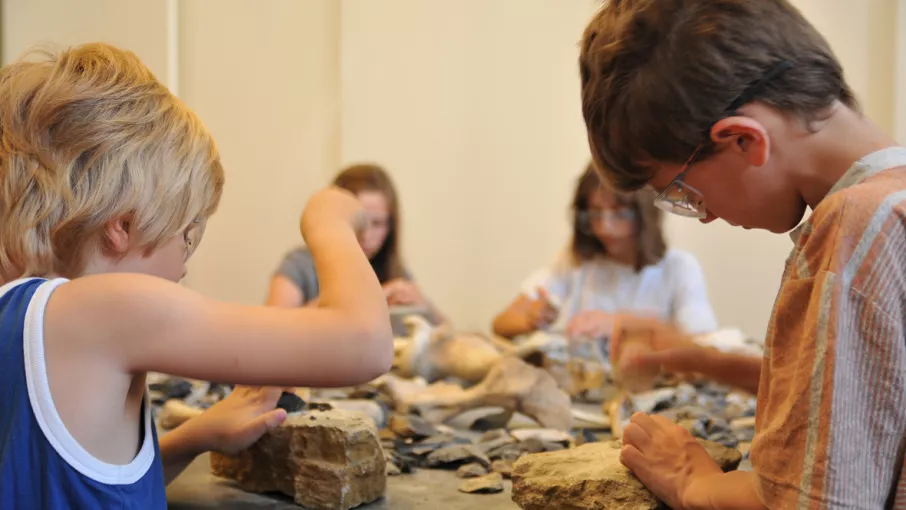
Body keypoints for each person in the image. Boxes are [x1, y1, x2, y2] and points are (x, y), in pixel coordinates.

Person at [0, 43, 393, 508]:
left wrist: (193, 439)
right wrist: (330, 223)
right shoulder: (107, 309)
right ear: (123, 227)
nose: (186, 264)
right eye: (187, 233)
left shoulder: (24, 316)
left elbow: (79, 490)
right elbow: (365, 342)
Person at [579, 0, 906, 508]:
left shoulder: (856, 227)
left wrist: (691, 480)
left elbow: (816, 502)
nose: (704, 214)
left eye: (681, 191)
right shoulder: (892, 205)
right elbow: (862, 401)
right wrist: (701, 360)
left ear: (742, 139)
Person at [492, 164, 718, 346]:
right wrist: (531, 319)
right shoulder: (577, 260)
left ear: (645, 215)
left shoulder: (680, 268)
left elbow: (701, 342)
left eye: (619, 214)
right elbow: (501, 324)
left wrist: (621, 324)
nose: (604, 227)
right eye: (595, 214)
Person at [266, 164, 445, 324]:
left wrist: (424, 305)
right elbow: (272, 332)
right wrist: (340, 304)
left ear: (390, 227)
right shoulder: (301, 264)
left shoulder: (392, 268)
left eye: (378, 224)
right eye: (360, 223)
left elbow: (447, 334)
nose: (367, 235)